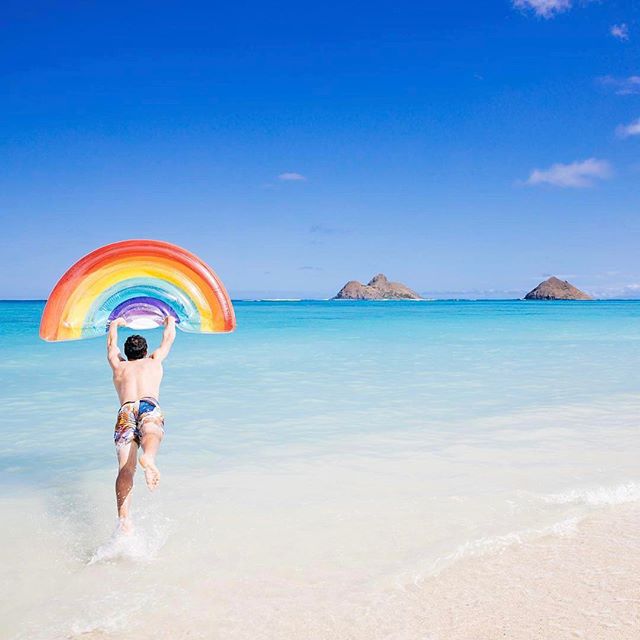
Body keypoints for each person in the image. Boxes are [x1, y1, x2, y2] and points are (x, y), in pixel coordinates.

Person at [107, 315, 176, 531]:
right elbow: (168, 339)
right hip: (148, 403)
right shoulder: (154, 361)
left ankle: (124, 520)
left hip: (126, 408)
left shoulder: (119, 366)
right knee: (152, 430)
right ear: (145, 351)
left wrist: (115, 325)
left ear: (126, 353)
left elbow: (111, 345)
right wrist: (170, 321)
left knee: (125, 469)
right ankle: (149, 456)